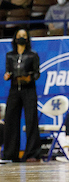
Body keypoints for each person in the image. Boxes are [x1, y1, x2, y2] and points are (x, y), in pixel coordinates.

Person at [2, 30, 40, 162]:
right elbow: (8, 70)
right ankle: (10, 154)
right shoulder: (9, 55)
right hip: (14, 89)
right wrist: (7, 76)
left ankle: (32, 154)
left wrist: (30, 78)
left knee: (31, 121)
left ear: (28, 39)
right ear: (15, 38)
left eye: (24, 36)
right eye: (19, 36)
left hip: (29, 90)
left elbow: (37, 73)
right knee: (11, 120)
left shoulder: (32, 55)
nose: (21, 38)